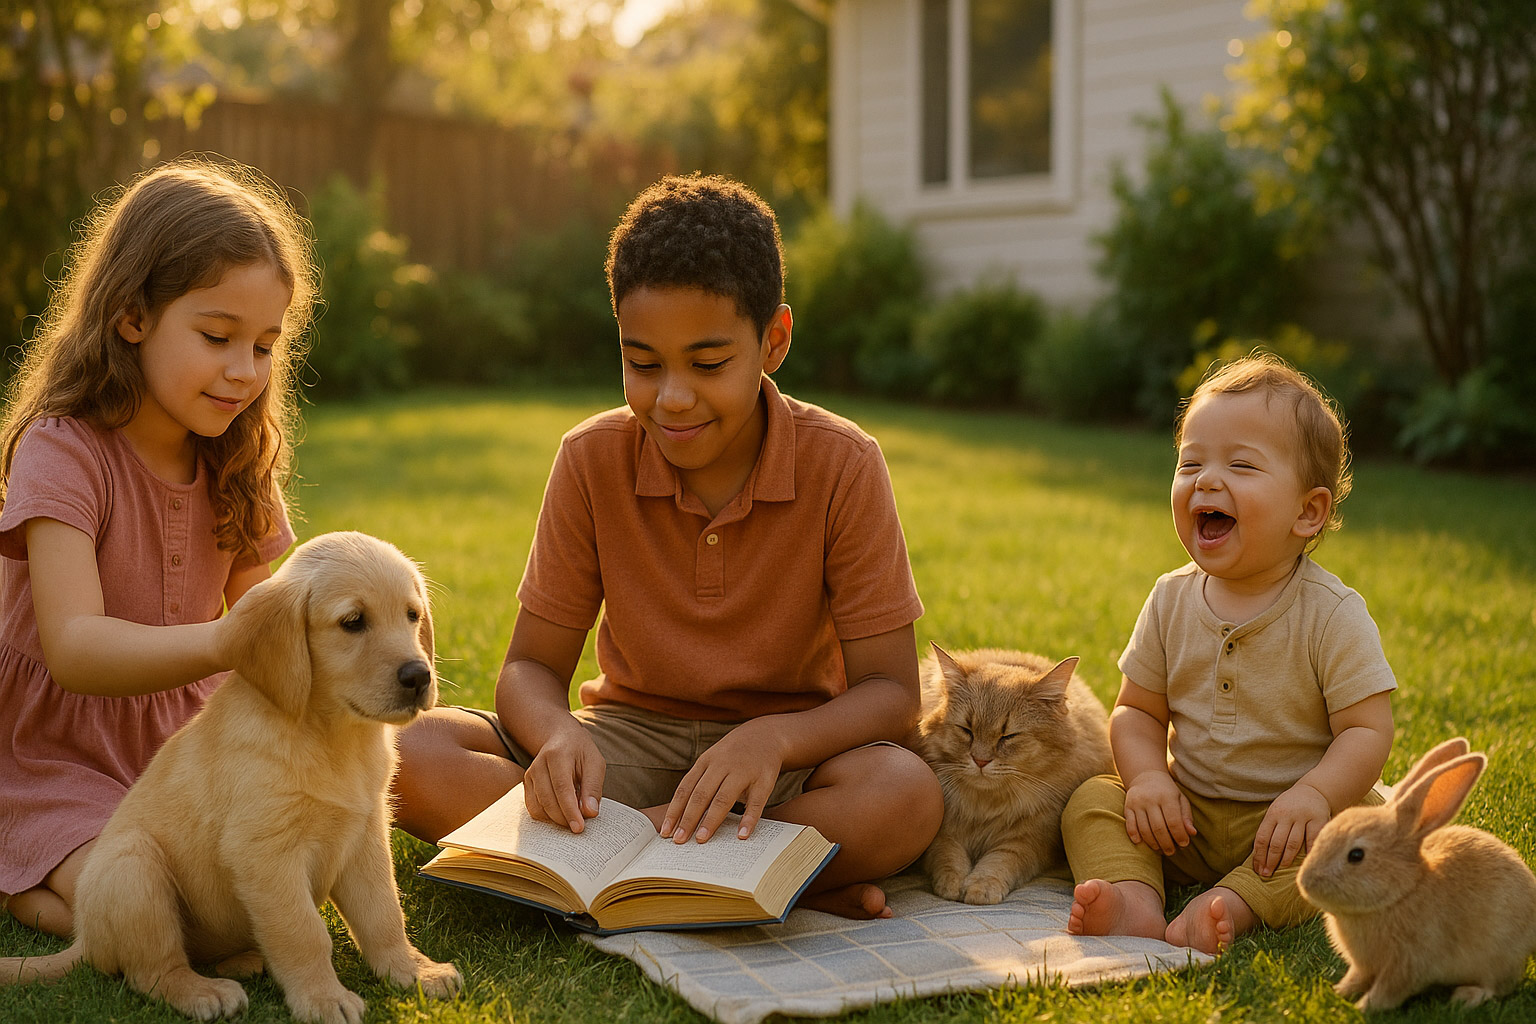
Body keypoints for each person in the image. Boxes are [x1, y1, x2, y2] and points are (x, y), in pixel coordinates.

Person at [395, 174, 943, 919]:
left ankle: (621, 858)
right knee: (407, 752)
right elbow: (529, 666)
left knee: (903, 796)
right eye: (643, 363)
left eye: (708, 364)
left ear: (773, 341)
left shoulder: (843, 464)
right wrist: (556, 736)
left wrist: (772, 741)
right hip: (622, 749)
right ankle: (750, 878)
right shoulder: (591, 458)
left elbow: (891, 693)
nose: (671, 397)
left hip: (786, 765)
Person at [0, 158, 316, 937]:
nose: (245, 372)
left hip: (187, 745)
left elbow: (263, 613)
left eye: (266, 345)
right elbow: (74, 648)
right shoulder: (64, 449)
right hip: (57, 751)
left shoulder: (238, 457)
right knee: (157, 903)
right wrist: (225, 642)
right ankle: (32, 882)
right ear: (131, 316)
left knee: (242, 900)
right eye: (218, 336)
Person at [1060, 352, 1395, 954]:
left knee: (1355, 834)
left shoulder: (1332, 614)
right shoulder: (1170, 599)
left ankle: (1236, 904)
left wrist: (1315, 795)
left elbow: (1368, 730)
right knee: (1094, 799)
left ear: (1307, 511)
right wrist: (1145, 780)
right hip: (1182, 818)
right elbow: (1136, 712)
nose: (1206, 481)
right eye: (1190, 462)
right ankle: (1134, 898)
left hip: (1286, 822)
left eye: (1241, 465)